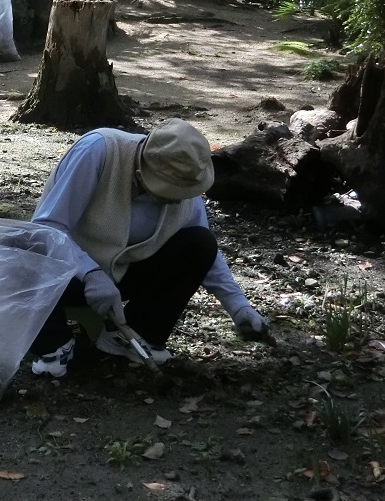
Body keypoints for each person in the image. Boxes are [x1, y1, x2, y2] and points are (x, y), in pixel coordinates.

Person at [28, 118, 273, 378]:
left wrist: (238, 306)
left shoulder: (186, 179)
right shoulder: (98, 151)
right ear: (140, 172)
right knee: (24, 253)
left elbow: (204, 251)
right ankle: (54, 343)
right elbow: (48, 228)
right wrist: (90, 273)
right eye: (166, 192)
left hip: (122, 275)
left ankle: (132, 336)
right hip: (65, 275)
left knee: (200, 243)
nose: (174, 201)